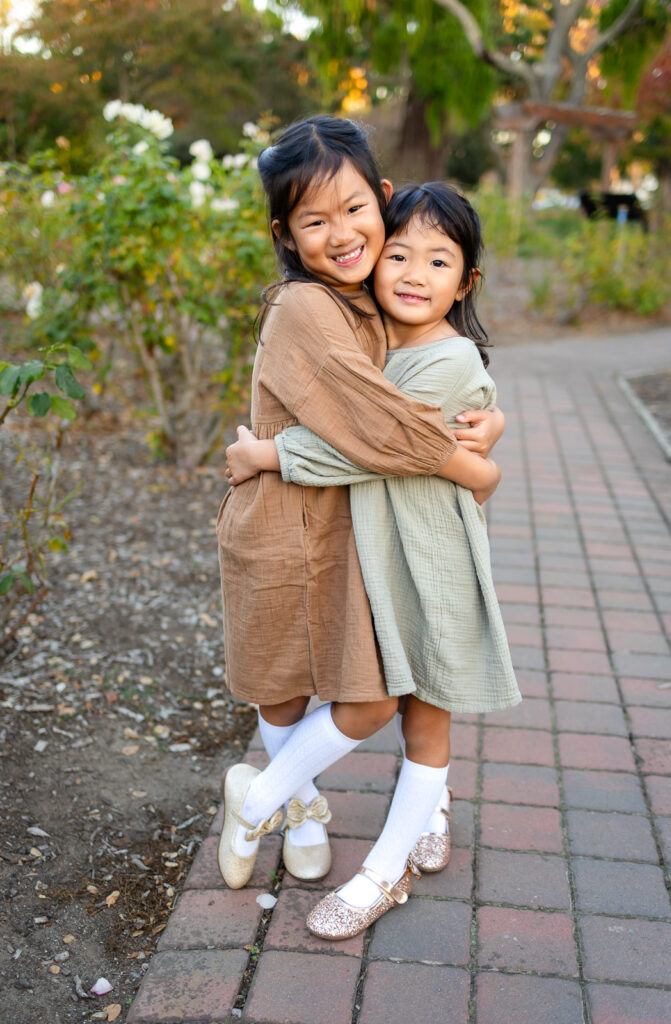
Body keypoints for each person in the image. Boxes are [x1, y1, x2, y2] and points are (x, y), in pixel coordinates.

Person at [225, 181, 521, 939]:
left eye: (438, 260)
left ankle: (376, 871)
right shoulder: (364, 337)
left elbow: (366, 447)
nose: (413, 274)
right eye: (398, 255)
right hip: (379, 553)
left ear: (466, 281)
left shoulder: (448, 362)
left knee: (425, 719)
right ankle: (409, 806)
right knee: (381, 701)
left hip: (432, 560)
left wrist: (266, 452)